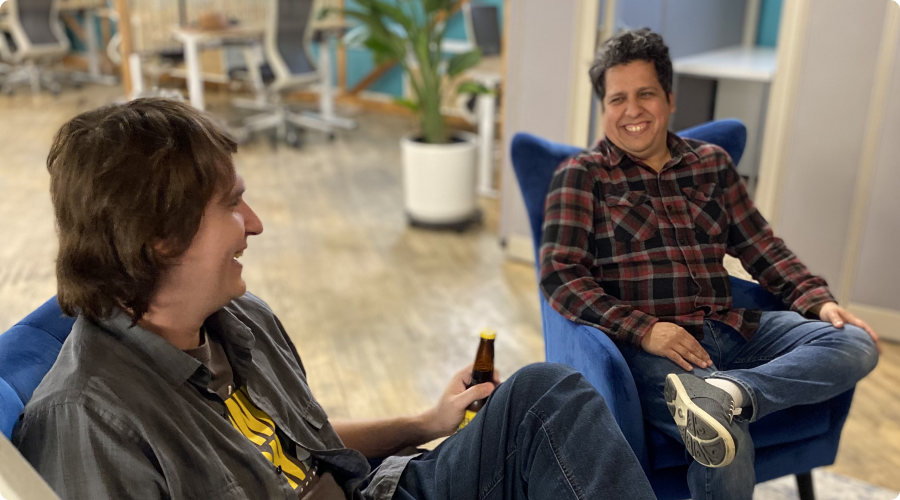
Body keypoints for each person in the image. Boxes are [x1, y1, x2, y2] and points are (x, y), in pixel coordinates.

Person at [12, 98, 657, 500]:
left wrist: (426, 423)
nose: (256, 223)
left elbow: (304, 441)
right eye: (232, 205)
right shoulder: (89, 421)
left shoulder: (237, 318)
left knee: (546, 396)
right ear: (158, 238)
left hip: (367, 490)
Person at [539, 29, 880, 500]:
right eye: (617, 98)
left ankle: (733, 392)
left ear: (670, 98)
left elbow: (761, 245)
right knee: (722, 439)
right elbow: (561, 275)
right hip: (652, 351)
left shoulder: (711, 164)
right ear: (603, 108)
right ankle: (718, 403)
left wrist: (816, 300)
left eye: (646, 94)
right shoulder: (581, 177)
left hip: (732, 331)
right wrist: (644, 329)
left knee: (856, 343)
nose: (632, 110)